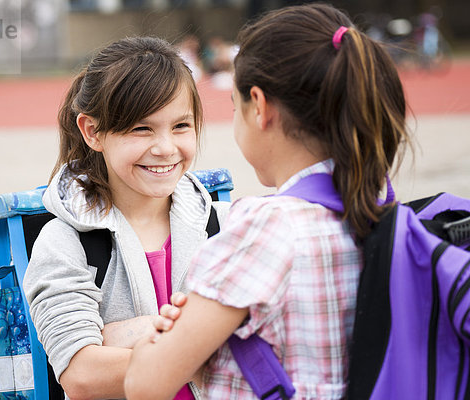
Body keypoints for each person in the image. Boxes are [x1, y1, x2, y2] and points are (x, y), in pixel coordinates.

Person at [124, 3, 411, 399]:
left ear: (259, 107)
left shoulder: (263, 227)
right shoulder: (381, 210)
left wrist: (159, 336)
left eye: (235, 107)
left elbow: (145, 384)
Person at [23, 36, 230, 400]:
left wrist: (131, 333)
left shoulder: (227, 225)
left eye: (181, 126)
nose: (166, 148)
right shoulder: (65, 243)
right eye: (141, 129)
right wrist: (206, 349)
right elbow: (82, 376)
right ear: (93, 132)